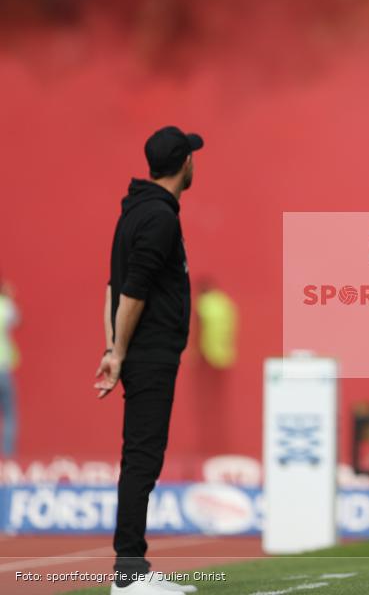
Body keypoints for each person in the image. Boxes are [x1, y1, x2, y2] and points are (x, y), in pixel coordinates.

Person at [94, 126, 203, 595]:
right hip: (150, 353)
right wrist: (118, 352)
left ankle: (133, 567)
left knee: (141, 456)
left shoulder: (136, 211)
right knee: (142, 457)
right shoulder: (159, 217)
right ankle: (128, 573)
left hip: (138, 351)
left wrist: (111, 349)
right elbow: (132, 291)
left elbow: (112, 287)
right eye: (192, 157)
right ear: (185, 164)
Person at [0, 275, 20, 458]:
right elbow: (17, 320)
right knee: (9, 414)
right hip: (3, 368)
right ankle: (6, 459)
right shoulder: (5, 306)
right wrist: (7, 296)